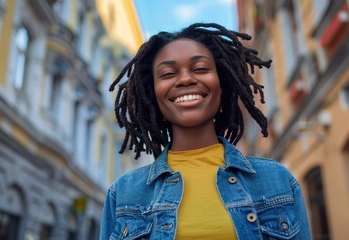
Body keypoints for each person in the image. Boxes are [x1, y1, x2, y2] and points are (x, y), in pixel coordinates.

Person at [100, 23, 311, 240]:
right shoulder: (123, 195)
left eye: (200, 68)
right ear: (152, 94)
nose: (185, 79)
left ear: (223, 84)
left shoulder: (277, 181)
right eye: (168, 73)